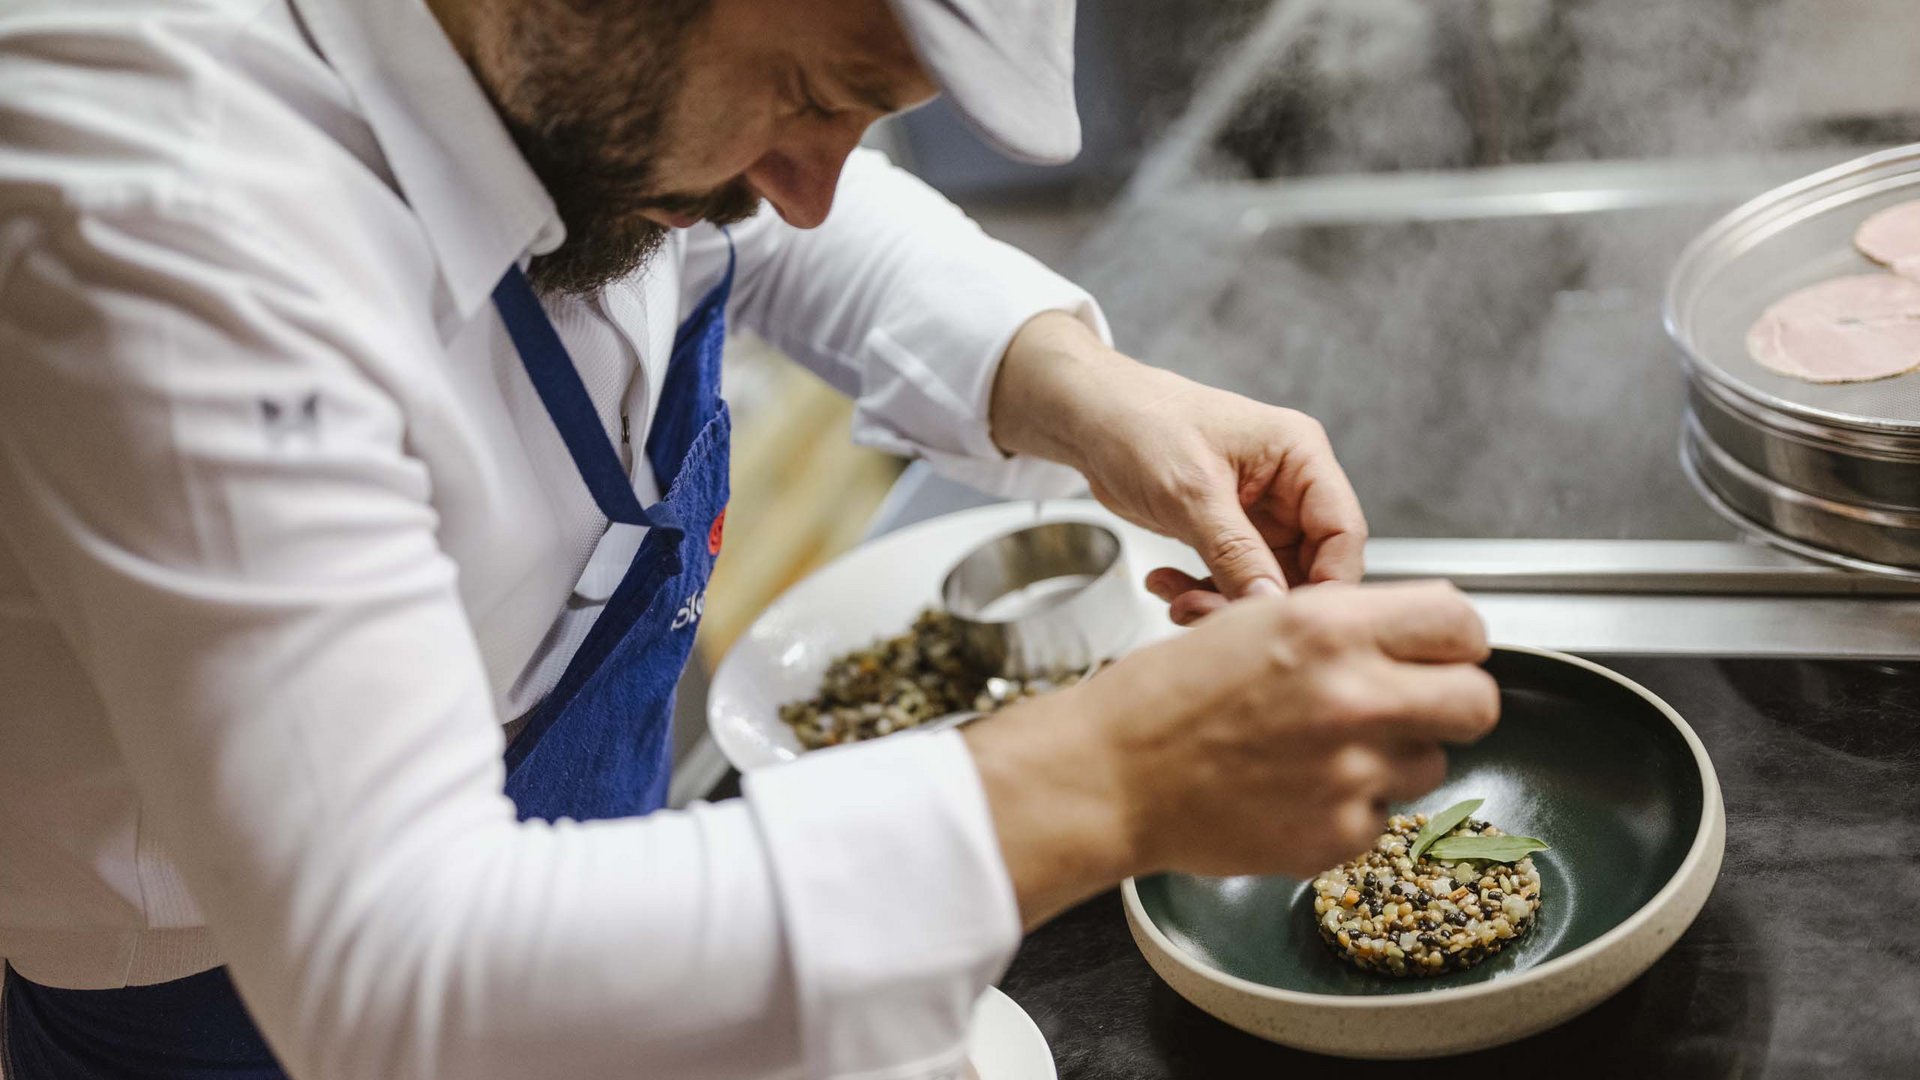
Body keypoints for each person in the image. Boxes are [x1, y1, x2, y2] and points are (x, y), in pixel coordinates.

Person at [0, 0, 1499, 1076]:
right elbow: (398, 971)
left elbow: (791, 221)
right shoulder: (166, 222)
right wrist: (1108, 776)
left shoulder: (573, 65)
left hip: (579, 878)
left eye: (864, 113)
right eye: (808, 89)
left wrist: (1073, 386)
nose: (809, 177)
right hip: (230, 1012)